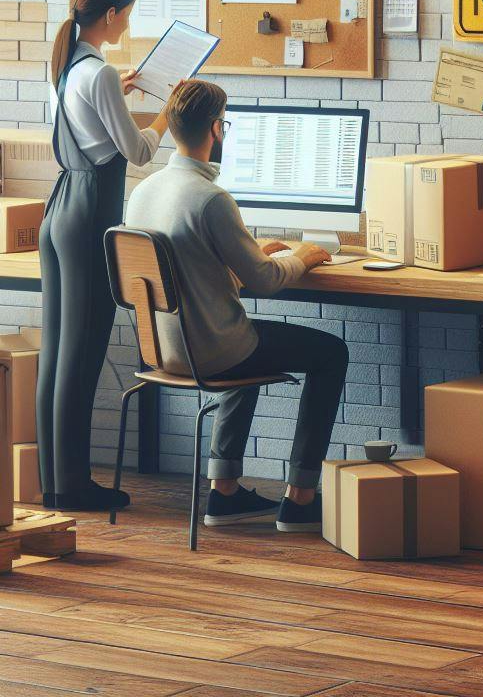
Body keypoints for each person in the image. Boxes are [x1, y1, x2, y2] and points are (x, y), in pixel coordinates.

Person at [124, 79, 348, 532]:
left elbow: (191, 270)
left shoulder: (144, 192)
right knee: (330, 352)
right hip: (213, 351)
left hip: (164, 351)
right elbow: (265, 281)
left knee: (240, 331)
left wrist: (248, 253)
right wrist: (301, 256)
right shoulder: (210, 199)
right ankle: (301, 498)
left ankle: (224, 493)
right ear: (216, 128)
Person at [39, 0, 173, 512]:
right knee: (84, 350)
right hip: (90, 213)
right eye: (128, 13)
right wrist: (168, 112)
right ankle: (73, 487)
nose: (128, 23)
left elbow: (86, 123)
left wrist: (121, 88)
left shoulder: (69, 67)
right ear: (113, 13)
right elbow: (139, 152)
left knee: (56, 353)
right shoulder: (99, 73)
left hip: (59, 209)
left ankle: (56, 481)